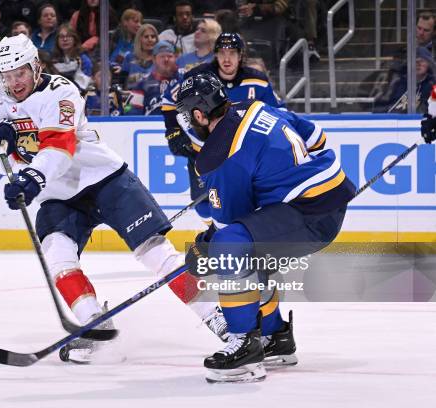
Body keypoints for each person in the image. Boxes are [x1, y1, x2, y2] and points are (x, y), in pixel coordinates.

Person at [0, 34, 227, 363]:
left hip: (104, 179)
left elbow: (59, 148)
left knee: (157, 254)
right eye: (6, 76)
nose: (14, 83)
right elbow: (12, 154)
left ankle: (220, 319)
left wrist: (31, 178)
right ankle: (95, 326)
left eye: (20, 73)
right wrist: (9, 159)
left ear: (35, 67)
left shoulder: (62, 93)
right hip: (59, 196)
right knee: (58, 257)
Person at [176, 71, 355, 383]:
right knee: (247, 252)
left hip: (310, 212)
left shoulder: (218, 153)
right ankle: (276, 338)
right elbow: (316, 137)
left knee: (229, 247)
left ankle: (244, 344)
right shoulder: (254, 106)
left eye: (188, 117)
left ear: (198, 115)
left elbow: (228, 226)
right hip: (325, 198)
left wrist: (202, 248)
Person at [161, 32, 284, 221]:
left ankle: (236, 239)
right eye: (222, 52)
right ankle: (215, 233)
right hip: (203, 151)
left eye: (232, 53)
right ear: (215, 54)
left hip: (243, 154)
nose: (227, 58)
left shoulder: (257, 80)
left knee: (243, 202)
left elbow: (277, 112)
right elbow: (169, 101)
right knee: (204, 207)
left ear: (241, 55)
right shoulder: (198, 76)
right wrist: (173, 131)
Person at [373, 46, 435, 114]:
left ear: (428, 64)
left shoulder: (432, 85)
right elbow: (380, 106)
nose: (418, 65)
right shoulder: (398, 83)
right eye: (415, 61)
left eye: (422, 61)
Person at [127, 41, 179, 115]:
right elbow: (131, 113)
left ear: (175, 58)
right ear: (154, 59)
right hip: (150, 125)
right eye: (162, 56)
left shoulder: (184, 80)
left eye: (170, 56)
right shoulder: (141, 83)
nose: (166, 59)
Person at [50, 24, 93, 92]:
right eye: (61, 37)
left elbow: (82, 85)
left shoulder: (83, 60)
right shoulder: (52, 60)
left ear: (75, 39)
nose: (65, 39)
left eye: (69, 36)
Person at [118, 23, 158, 89]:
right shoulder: (130, 58)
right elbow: (122, 83)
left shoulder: (160, 59)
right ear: (139, 39)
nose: (150, 39)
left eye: (153, 37)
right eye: (146, 37)